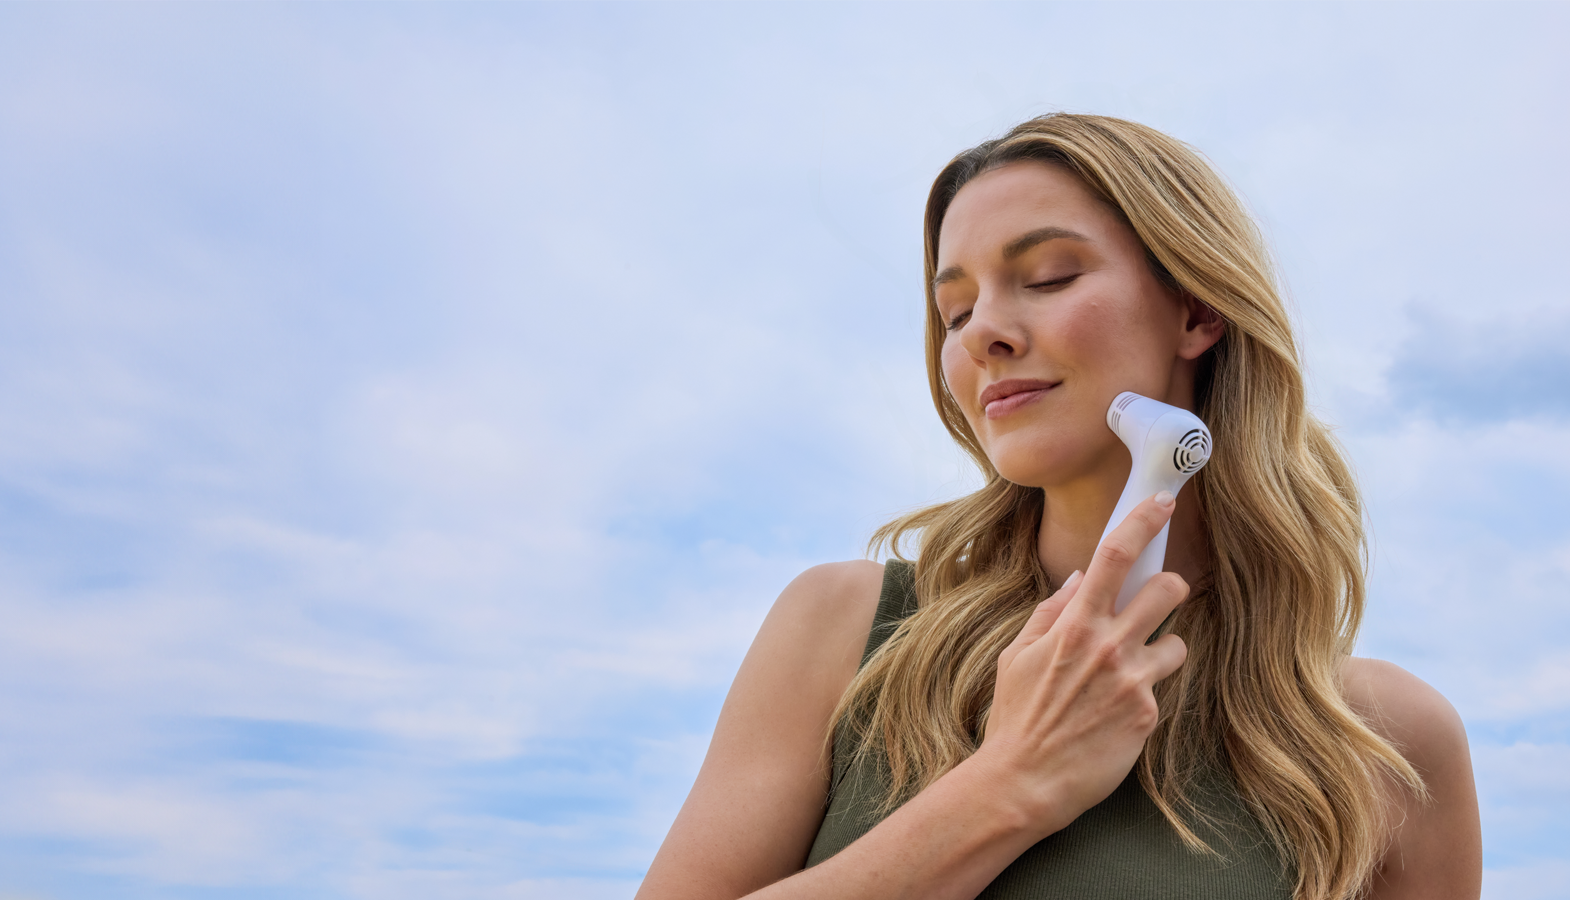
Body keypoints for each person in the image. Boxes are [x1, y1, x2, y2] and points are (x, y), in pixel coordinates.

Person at [635, 114, 1481, 900]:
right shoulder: (846, 630)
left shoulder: (1390, 744)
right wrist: (1009, 786)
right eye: (955, 310)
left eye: (1046, 277)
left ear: (1197, 309)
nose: (979, 335)